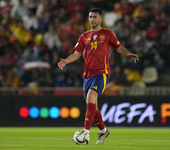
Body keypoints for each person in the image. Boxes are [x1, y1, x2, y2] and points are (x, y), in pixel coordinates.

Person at [58, 8, 139, 145]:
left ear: (100, 18)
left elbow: (118, 47)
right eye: (90, 17)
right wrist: (66, 60)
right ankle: (103, 131)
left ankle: (85, 131)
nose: (92, 19)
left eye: (94, 17)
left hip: (101, 73)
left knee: (91, 97)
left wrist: (128, 54)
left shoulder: (108, 34)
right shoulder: (84, 36)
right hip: (87, 76)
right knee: (93, 107)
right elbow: (77, 54)